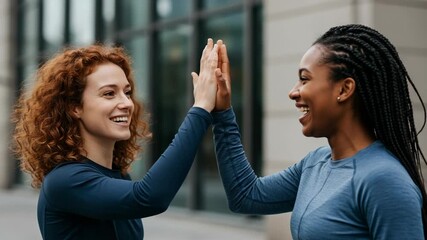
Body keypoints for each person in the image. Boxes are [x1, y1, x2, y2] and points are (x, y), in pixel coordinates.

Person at [210, 24, 427, 239]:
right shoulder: (315, 163)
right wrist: (222, 112)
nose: (293, 92)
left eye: (305, 79)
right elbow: (246, 196)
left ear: (344, 89)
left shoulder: (384, 180)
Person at [12, 40, 221, 240]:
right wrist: (201, 108)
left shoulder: (118, 175)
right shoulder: (65, 180)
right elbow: (150, 198)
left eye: (127, 92)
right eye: (109, 93)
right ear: (74, 107)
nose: (126, 103)